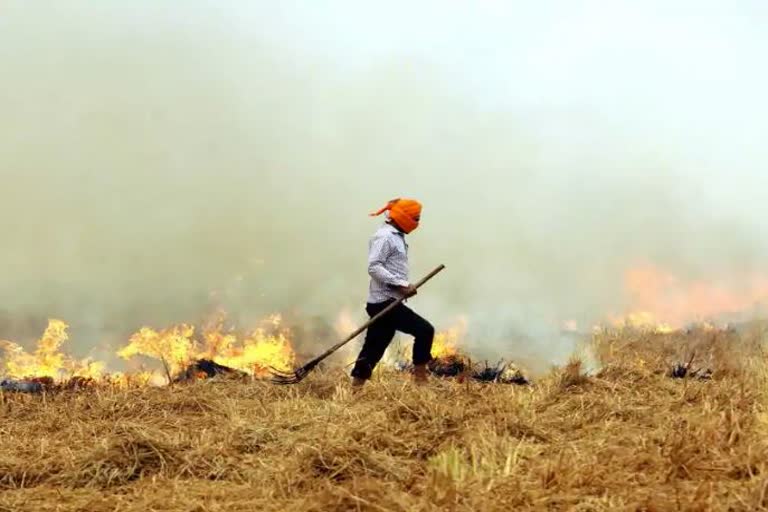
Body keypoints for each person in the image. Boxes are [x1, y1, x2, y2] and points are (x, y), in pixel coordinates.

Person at [350, 198, 435, 387]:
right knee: (424, 330)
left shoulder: (396, 236)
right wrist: (401, 284)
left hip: (386, 301)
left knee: (374, 346)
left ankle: (356, 388)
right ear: (404, 217)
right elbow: (374, 267)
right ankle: (420, 380)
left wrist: (401, 287)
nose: (417, 223)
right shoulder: (385, 237)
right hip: (385, 302)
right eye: (416, 218)